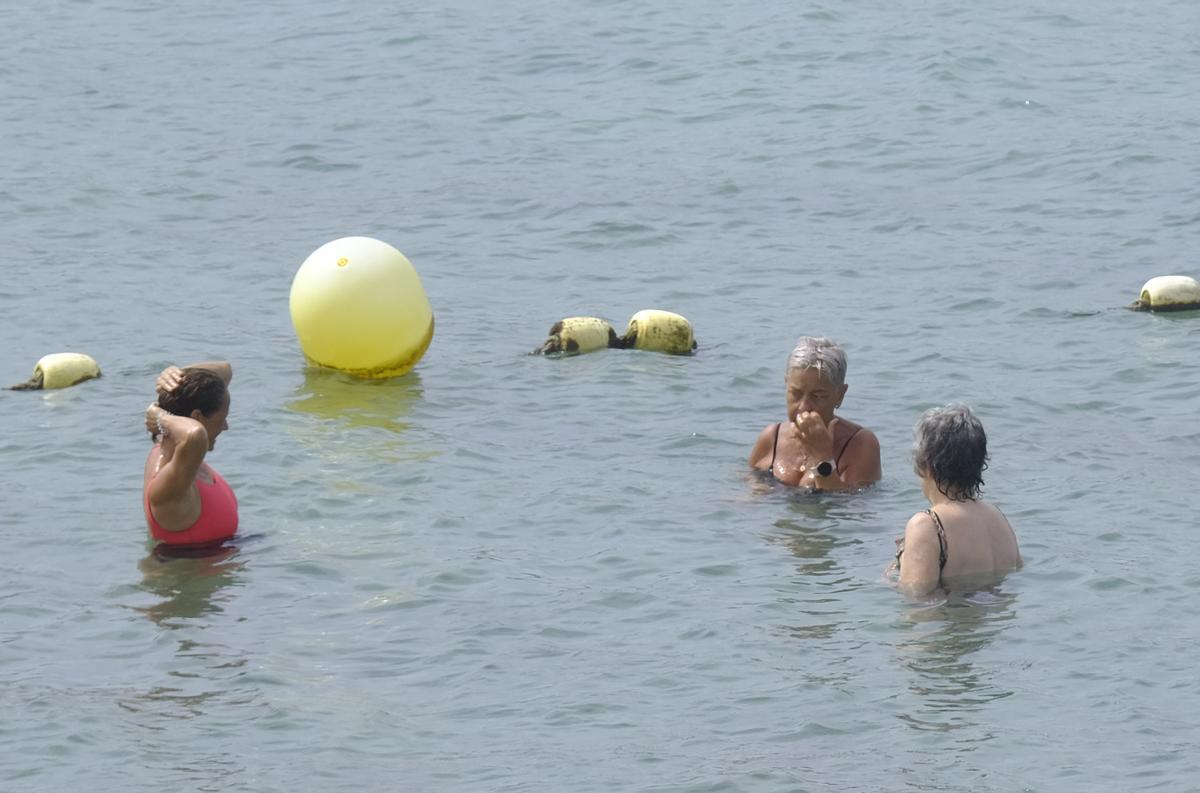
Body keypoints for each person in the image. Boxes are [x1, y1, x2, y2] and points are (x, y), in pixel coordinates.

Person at [892, 404, 1021, 598]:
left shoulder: (927, 526)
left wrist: (898, 566)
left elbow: (917, 605)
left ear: (927, 466)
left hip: (952, 625)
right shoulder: (998, 517)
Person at [749, 337, 881, 490]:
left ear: (840, 395)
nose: (804, 407)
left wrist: (822, 458)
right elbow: (752, 492)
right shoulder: (772, 437)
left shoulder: (861, 444)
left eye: (817, 396)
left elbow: (847, 509)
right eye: (796, 394)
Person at [142, 361, 237, 550]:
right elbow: (194, 434)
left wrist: (177, 376)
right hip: (183, 579)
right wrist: (159, 416)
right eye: (222, 418)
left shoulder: (179, 456)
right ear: (197, 418)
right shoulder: (170, 484)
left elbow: (225, 369)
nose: (226, 426)